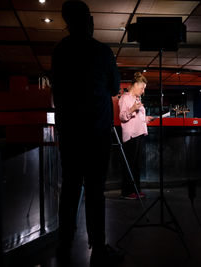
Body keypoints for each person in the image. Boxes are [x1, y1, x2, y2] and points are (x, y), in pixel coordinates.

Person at [51, 1, 122, 266]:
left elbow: (57, 88)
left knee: (70, 188)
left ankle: (65, 244)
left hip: (70, 132)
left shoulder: (60, 51)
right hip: (97, 132)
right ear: (88, 21)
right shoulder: (102, 52)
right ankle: (98, 246)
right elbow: (114, 87)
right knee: (95, 190)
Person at [118, 72, 155, 199]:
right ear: (135, 85)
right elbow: (122, 117)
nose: (143, 91)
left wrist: (145, 118)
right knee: (130, 164)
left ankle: (136, 190)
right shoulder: (125, 98)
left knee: (136, 164)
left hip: (139, 134)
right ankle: (127, 192)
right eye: (142, 88)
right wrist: (132, 109)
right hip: (131, 136)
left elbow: (137, 118)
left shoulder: (137, 99)